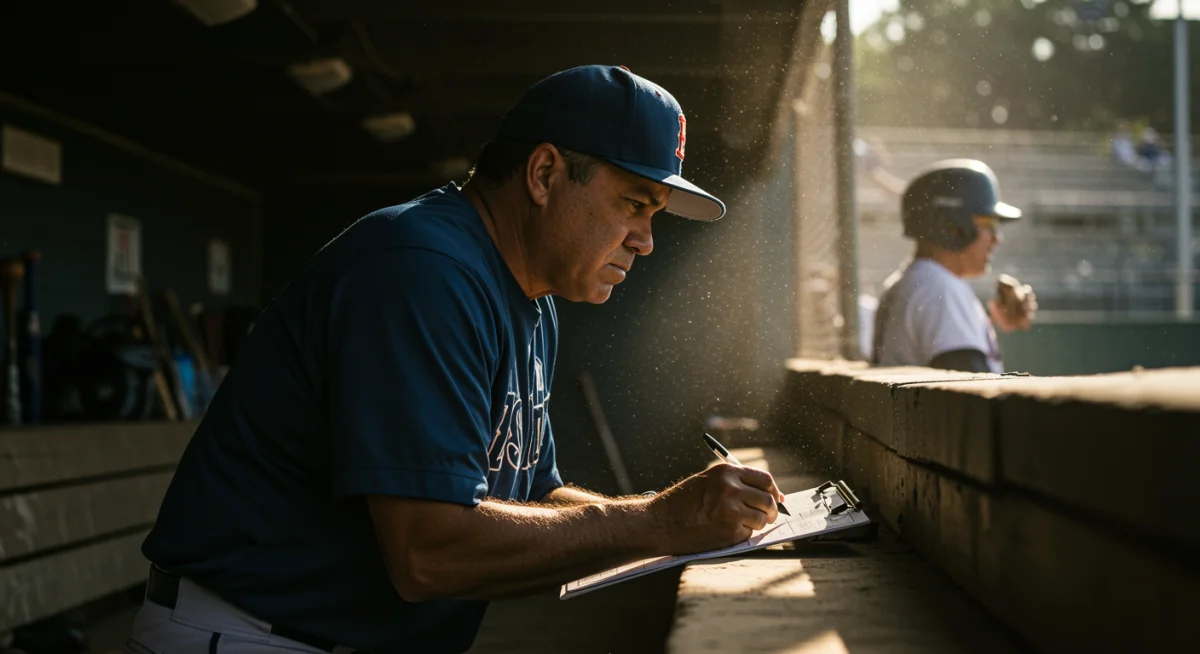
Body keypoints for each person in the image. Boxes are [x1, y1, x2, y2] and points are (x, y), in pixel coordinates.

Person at [125, 65, 788, 654]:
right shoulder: (421, 268)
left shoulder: (530, 298)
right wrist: (660, 521)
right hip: (249, 634)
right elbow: (428, 550)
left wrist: (673, 523)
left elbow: (529, 498)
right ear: (545, 173)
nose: (645, 240)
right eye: (635, 205)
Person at [871, 159, 1037, 373]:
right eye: (988, 223)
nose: (997, 238)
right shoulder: (939, 289)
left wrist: (988, 322)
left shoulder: (915, 281)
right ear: (952, 226)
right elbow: (971, 397)